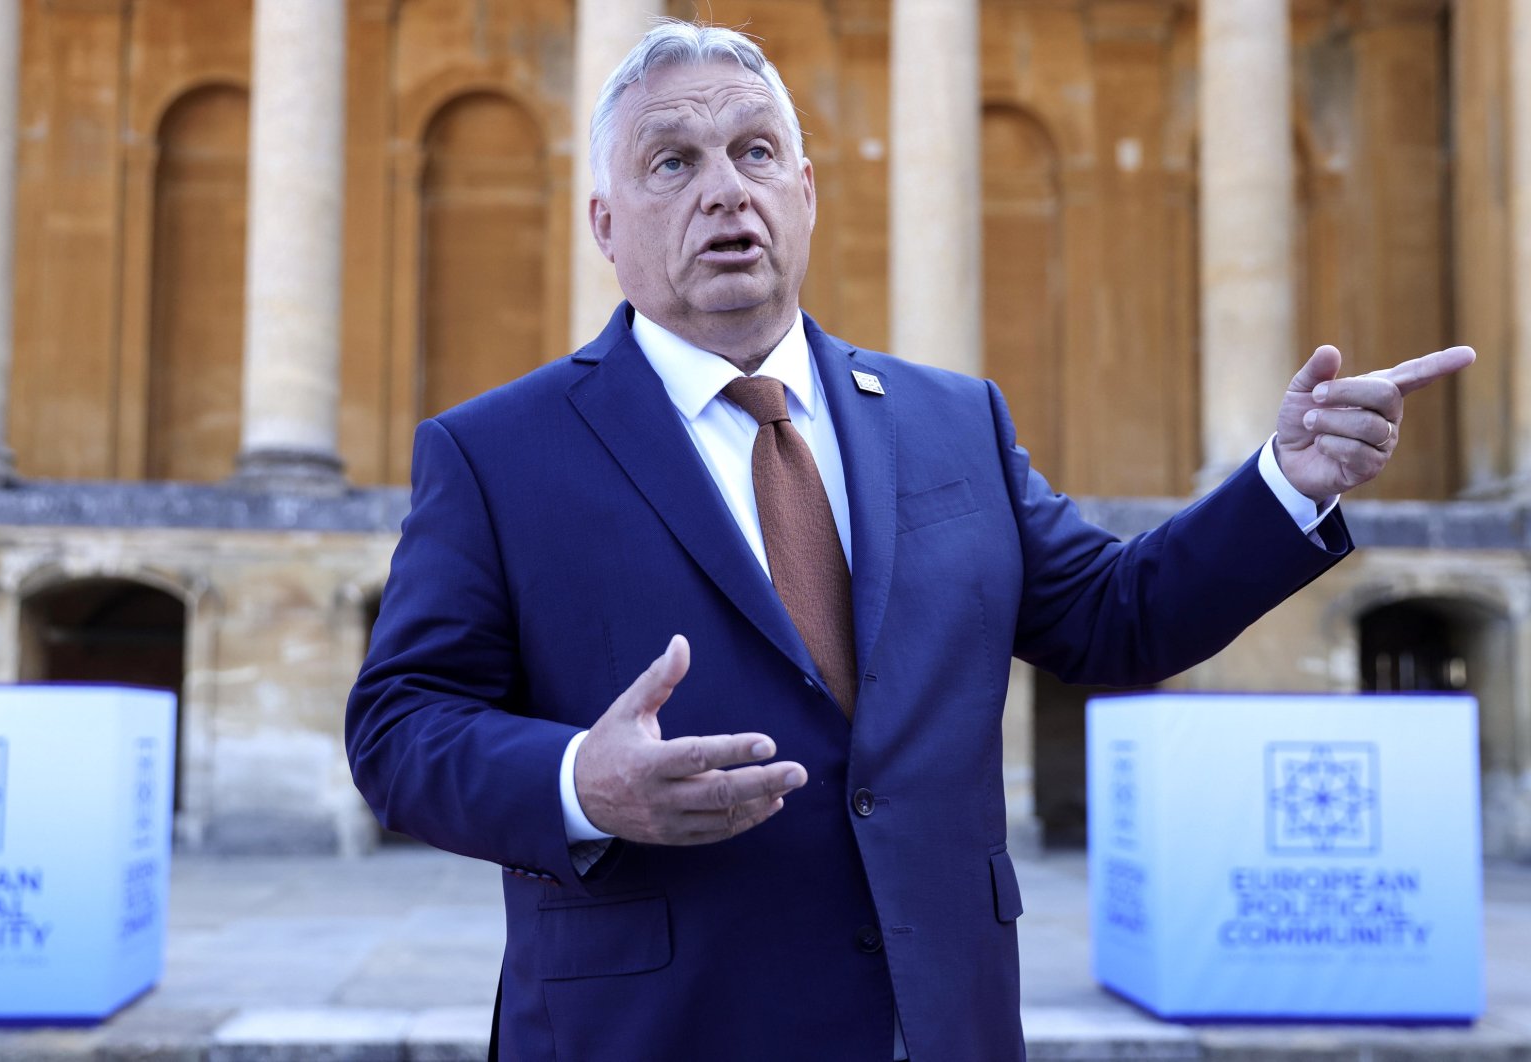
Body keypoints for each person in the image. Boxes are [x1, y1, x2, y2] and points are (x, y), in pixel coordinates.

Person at [345, 20, 1474, 1062]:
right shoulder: (499, 451)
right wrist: (579, 785)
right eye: (672, 162)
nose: (724, 191)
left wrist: (1287, 483)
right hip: (652, 1026)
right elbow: (399, 729)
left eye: (755, 152)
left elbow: (1114, 619)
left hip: (935, 1023)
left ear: (807, 190)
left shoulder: (952, 421)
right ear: (603, 220)